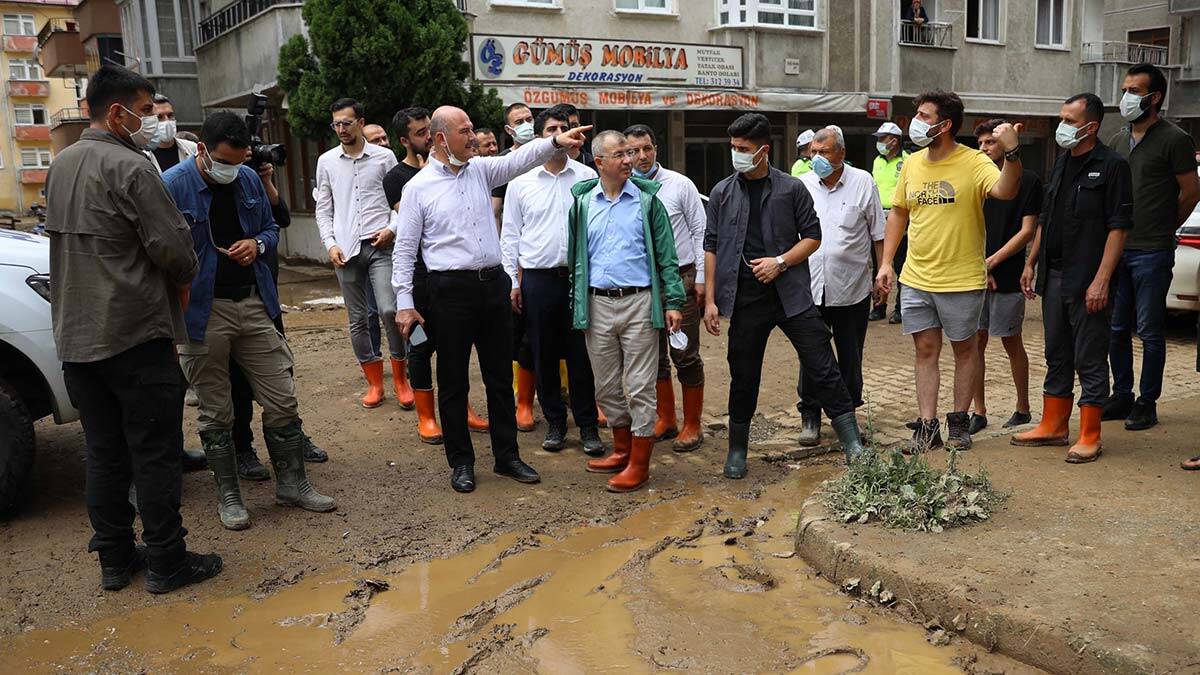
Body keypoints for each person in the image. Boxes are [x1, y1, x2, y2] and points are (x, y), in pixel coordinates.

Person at [45, 65, 221, 594]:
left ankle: (116, 562)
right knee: (154, 451)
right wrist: (187, 271)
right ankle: (167, 561)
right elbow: (173, 249)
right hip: (134, 335)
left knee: (103, 452)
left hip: (77, 340)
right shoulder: (132, 167)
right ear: (117, 113)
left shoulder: (62, 164)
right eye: (145, 112)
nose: (153, 122)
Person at [393, 106, 591, 493]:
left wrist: (554, 141)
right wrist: (404, 301)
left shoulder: (482, 171)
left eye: (471, 130)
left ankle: (507, 456)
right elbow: (404, 250)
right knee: (453, 382)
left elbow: (521, 158)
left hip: (492, 287)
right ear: (440, 139)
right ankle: (462, 462)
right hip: (448, 292)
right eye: (464, 131)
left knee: (500, 376)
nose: (472, 137)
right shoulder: (417, 188)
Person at [165, 112, 336, 528]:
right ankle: (230, 496)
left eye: (239, 161)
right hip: (202, 314)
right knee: (216, 410)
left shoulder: (246, 178)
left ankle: (292, 484)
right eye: (224, 161)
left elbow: (271, 229)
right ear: (202, 150)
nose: (232, 170)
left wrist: (256, 244)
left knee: (281, 396)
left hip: (254, 303)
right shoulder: (171, 185)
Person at [704, 114, 866, 478]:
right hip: (745, 298)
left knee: (822, 365)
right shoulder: (721, 192)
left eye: (743, 149)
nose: (736, 155)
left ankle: (851, 440)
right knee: (743, 375)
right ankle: (737, 450)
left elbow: (813, 237)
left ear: (763, 151)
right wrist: (711, 300)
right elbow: (711, 245)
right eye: (733, 148)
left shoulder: (792, 189)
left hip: (791, 294)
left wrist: (780, 262)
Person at [873, 89, 1024, 452]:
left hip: (961, 279)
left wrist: (1013, 153)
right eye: (918, 115)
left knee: (964, 350)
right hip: (916, 278)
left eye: (925, 116)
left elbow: (1005, 190)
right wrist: (886, 262)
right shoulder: (911, 162)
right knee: (925, 350)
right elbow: (899, 213)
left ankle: (958, 423)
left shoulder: (974, 162)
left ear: (946, 125)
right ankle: (927, 427)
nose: (916, 123)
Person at [1012, 93, 1132, 464]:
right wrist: (1031, 261)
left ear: (1091, 127)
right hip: (1055, 275)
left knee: (1090, 356)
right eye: (1061, 118)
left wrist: (1101, 280)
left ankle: (1090, 433)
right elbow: (1047, 218)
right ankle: (1053, 424)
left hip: (1088, 280)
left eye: (1069, 120)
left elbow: (1118, 228)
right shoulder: (1062, 161)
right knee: (1056, 352)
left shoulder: (1112, 167)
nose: (1061, 126)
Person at [564, 130, 684, 492]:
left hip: (640, 303)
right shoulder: (583, 205)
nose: (629, 160)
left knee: (640, 386)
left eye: (630, 154)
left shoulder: (648, 203)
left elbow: (667, 257)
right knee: (607, 386)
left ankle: (640, 463)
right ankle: (621, 449)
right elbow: (575, 260)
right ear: (599, 161)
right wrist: (577, 303)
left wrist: (673, 301)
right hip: (597, 304)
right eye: (620, 155)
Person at [1103, 63, 1200, 431]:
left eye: (1134, 91)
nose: (1126, 97)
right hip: (1118, 249)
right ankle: (1122, 394)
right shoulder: (1117, 138)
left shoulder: (1174, 138)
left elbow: (1191, 192)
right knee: (1116, 327)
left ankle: (1147, 401)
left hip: (1152, 252)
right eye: (1125, 89)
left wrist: (1164, 227)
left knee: (1149, 329)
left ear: (1154, 97)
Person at [382, 107, 489, 443]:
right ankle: (426, 416)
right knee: (419, 344)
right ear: (405, 140)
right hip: (417, 278)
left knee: (454, 350)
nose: (427, 137)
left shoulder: (457, 170)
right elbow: (413, 229)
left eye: (430, 130)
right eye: (419, 133)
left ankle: (464, 407)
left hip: (446, 280)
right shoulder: (399, 179)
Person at [502, 105, 603, 455]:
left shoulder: (587, 177)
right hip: (538, 280)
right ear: (542, 137)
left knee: (581, 355)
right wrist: (512, 283)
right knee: (543, 353)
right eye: (551, 130)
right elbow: (510, 236)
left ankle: (588, 424)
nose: (559, 134)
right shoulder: (520, 184)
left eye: (565, 127)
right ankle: (556, 422)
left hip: (579, 279)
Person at [315, 98, 413, 410]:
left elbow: (401, 200)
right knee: (357, 319)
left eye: (346, 122)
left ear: (360, 122)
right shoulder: (327, 161)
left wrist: (392, 230)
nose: (341, 129)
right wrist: (330, 244)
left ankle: (401, 377)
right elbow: (323, 209)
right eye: (336, 124)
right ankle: (374, 381)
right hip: (345, 249)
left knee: (388, 309)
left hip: (380, 244)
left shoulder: (384, 157)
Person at [795, 127, 885, 446]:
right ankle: (810, 414)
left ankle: (846, 415)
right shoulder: (802, 184)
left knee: (850, 356)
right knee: (812, 355)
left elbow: (878, 234)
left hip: (851, 288)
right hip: (809, 287)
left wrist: (882, 272)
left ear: (842, 153)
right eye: (813, 153)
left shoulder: (863, 182)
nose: (817, 158)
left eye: (825, 152)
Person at [623, 123, 708, 452]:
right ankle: (666, 419)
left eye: (646, 149)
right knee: (654, 357)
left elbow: (701, 233)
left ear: (656, 149)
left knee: (685, 354)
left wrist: (701, 278)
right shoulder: (624, 188)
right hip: (642, 286)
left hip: (681, 281)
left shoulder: (679, 185)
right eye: (632, 151)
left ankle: (692, 424)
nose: (641, 157)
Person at [969, 119, 1041, 434]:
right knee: (974, 343)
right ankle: (978, 411)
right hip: (973, 274)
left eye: (991, 143)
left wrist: (993, 263)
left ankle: (1022, 407)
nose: (984, 149)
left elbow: (1028, 231)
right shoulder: (974, 179)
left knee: (1012, 341)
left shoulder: (1028, 181)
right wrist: (979, 267)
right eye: (981, 143)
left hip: (1008, 273)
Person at [490, 103, 540, 429]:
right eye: (518, 122)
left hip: (551, 262)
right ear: (508, 130)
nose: (525, 125)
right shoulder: (504, 167)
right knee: (521, 335)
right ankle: (523, 402)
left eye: (529, 119)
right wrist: (507, 268)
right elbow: (497, 214)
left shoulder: (550, 154)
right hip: (518, 261)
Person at [870, 121, 907, 323]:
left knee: (900, 265)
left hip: (900, 219)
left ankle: (900, 308)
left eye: (882, 139)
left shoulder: (908, 159)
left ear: (894, 141)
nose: (879, 142)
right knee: (879, 264)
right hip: (878, 217)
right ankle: (878, 306)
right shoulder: (878, 161)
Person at [146, 94, 196, 173]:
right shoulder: (143, 155)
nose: (167, 121)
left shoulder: (192, 148)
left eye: (170, 115)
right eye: (159, 117)